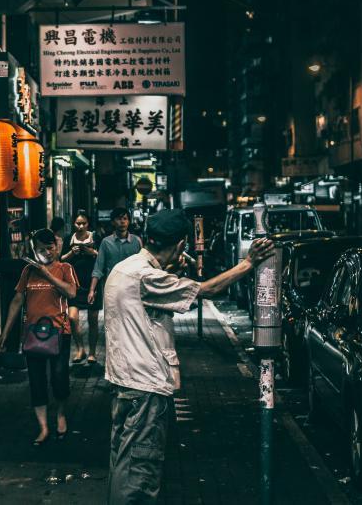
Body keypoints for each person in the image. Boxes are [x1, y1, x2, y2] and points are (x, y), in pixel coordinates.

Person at [104, 209, 275, 504]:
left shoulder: (125, 268)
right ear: (181, 244)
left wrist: (173, 271)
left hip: (126, 382)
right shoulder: (146, 276)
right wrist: (249, 262)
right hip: (145, 386)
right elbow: (208, 289)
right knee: (140, 472)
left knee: (124, 461)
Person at [0, 229, 78, 445]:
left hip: (60, 332)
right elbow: (17, 301)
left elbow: (71, 293)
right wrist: (6, 331)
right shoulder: (27, 271)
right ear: (34, 250)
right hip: (33, 334)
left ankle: (61, 415)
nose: (46, 252)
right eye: (41, 249)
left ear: (56, 247)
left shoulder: (65, 268)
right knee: (36, 381)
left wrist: (47, 274)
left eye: (50, 248)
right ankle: (43, 427)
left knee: (59, 379)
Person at [88, 208, 143, 364]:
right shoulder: (106, 243)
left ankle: (132, 360)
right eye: (119, 219)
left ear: (129, 221)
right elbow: (98, 268)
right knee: (113, 326)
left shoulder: (137, 242)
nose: (122, 222)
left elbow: (144, 267)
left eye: (125, 218)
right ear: (113, 222)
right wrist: (92, 290)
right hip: (112, 291)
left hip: (133, 291)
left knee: (133, 326)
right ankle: (115, 361)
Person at [60, 211, 101, 363]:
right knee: (72, 317)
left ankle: (92, 352)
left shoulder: (95, 238)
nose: (81, 226)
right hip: (74, 284)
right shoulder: (68, 239)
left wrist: (91, 252)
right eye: (78, 223)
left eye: (83, 223)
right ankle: (80, 349)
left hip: (92, 282)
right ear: (73, 224)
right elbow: (61, 259)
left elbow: (102, 256)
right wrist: (72, 252)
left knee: (93, 319)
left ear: (88, 224)